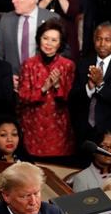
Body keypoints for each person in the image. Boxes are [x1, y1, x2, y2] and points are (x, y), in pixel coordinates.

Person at [69, 22, 111, 148]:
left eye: (107, 40)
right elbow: (73, 99)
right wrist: (89, 88)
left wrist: (100, 84)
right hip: (85, 132)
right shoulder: (84, 63)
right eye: (99, 39)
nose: (102, 44)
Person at [18, 19, 76, 162]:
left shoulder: (67, 66)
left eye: (54, 40)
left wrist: (57, 86)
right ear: (39, 39)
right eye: (45, 38)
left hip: (58, 131)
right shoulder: (29, 64)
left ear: (60, 43)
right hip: (32, 130)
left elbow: (72, 100)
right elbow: (22, 97)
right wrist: (43, 88)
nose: (48, 44)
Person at [0, 0, 59, 76]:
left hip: (43, 81)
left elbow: (62, 52)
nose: (13, 0)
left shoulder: (52, 19)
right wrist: (6, 77)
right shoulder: (6, 20)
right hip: (13, 82)